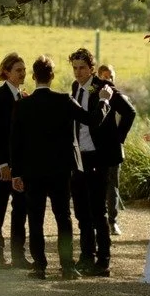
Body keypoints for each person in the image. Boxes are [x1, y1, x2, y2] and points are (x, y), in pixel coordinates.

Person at [9, 55, 91, 280]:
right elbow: (88, 119)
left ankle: (40, 266)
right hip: (60, 170)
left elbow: (15, 142)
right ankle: (67, 266)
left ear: (34, 77)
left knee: (35, 218)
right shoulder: (65, 100)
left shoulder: (22, 105)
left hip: (33, 170)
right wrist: (103, 99)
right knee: (63, 217)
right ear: (52, 76)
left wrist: (16, 173)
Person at [68, 49, 117, 276]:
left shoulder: (102, 88)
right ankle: (86, 256)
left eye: (82, 68)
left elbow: (129, 111)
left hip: (98, 156)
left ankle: (103, 261)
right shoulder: (75, 87)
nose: (78, 72)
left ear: (92, 68)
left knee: (98, 210)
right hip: (79, 157)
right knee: (81, 210)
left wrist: (115, 140)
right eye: (75, 68)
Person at [0, 52, 30, 269]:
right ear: (7, 72)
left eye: (24, 69)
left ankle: (19, 256)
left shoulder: (23, 97)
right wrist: (3, 164)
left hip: (20, 163)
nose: (23, 73)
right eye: (18, 70)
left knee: (20, 207)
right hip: (1, 163)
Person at [97, 63, 136, 236]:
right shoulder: (95, 95)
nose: (108, 79)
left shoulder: (119, 97)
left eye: (111, 76)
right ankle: (98, 220)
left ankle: (112, 222)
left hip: (113, 149)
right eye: (104, 76)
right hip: (96, 149)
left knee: (112, 186)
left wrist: (119, 138)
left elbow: (129, 115)